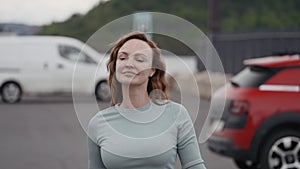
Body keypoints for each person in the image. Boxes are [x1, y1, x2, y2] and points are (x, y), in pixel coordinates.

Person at [87, 32, 206, 169]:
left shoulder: (176, 113)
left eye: (140, 59)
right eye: (123, 58)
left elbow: (194, 165)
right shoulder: (98, 123)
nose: (129, 64)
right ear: (115, 66)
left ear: (152, 70)